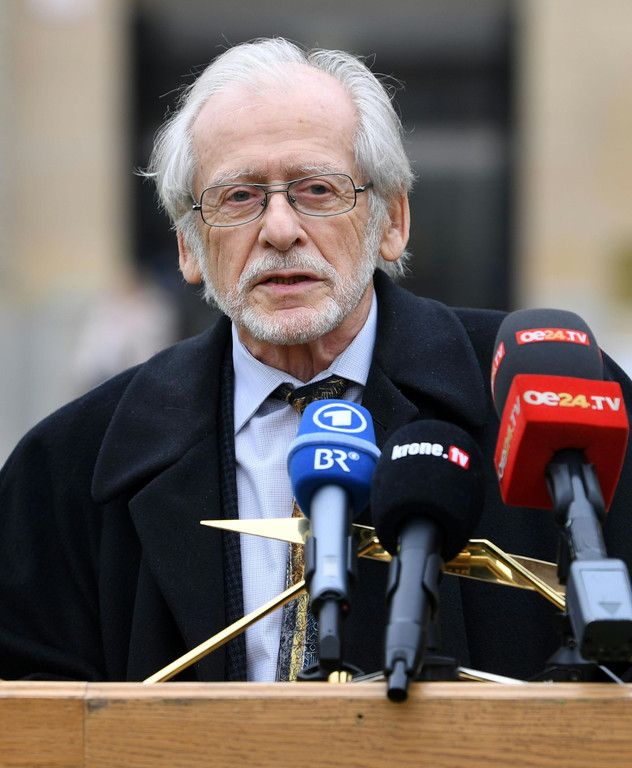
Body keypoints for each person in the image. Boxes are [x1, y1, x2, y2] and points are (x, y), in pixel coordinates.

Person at [1, 37, 631, 683]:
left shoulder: (548, 397)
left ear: (393, 222)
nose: (280, 230)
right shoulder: (70, 467)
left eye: (317, 189)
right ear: (189, 247)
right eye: (238, 197)